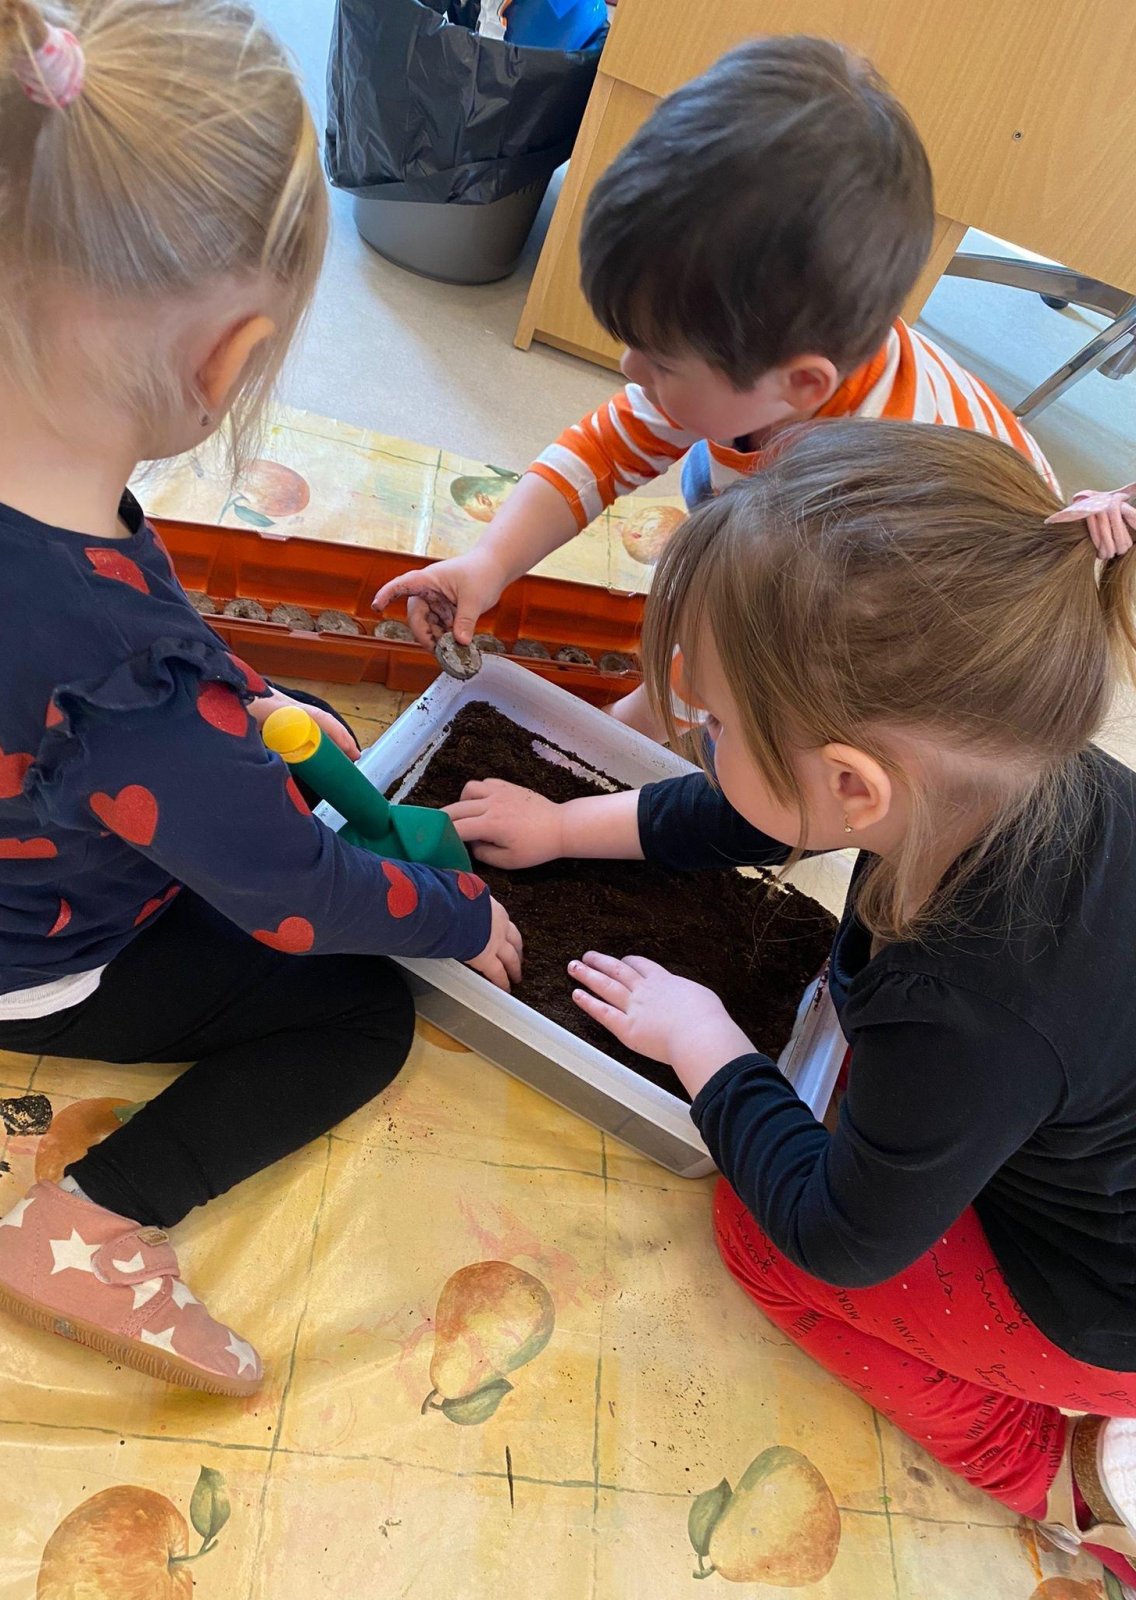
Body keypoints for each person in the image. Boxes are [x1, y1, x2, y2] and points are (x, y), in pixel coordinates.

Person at [0, 0, 521, 1398]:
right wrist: (455, 914)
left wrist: (240, 696)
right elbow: (293, 894)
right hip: (21, 968)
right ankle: (92, 1224)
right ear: (229, 360)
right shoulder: (126, 674)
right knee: (360, 1012)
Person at [444, 420, 1136, 1585]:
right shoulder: (1005, 766)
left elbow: (843, 1236)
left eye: (715, 728)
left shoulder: (964, 1001)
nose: (701, 739)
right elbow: (762, 805)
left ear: (855, 784)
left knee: (762, 1238)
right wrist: (566, 825)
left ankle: (1057, 1474)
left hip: (1098, 1307)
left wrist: (707, 1043)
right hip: (1075, 1122)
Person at [373, 36, 1057, 740]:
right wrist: (491, 561)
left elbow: (739, 664)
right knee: (711, 485)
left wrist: (611, 733)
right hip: (829, 502)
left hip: (949, 622)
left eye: (662, 362)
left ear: (800, 384)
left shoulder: (849, 523)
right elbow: (603, 452)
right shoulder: (772, 350)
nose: (629, 367)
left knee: (793, 700)